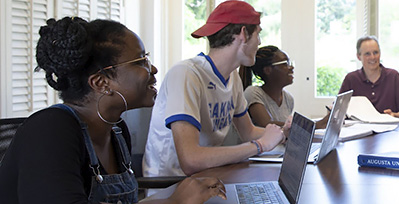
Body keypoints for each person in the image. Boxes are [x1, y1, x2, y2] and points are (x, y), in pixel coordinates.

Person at [0, 17, 225, 203]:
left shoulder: (116, 130)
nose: (153, 69)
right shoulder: (49, 131)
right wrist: (173, 202)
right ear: (100, 82)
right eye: (140, 61)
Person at [144, 0, 285, 179]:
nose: (259, 42)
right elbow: (190, 160)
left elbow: (248, 132)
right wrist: (260, 145)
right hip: (172, 186)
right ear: (243, 33)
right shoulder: (186, 74)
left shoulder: (232, 77)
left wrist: (282, 135)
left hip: (207, 178)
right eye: (258, 34)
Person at [245, 45, 329, 128]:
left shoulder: (288, 98)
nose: (291, 67)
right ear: (268, 70)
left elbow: (286, 130)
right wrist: (313, 126)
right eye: (285, 64)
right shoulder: (253, 93)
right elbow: (268, 125)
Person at [339, 36, 399, 118]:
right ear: (358, 57)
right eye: (367, 54)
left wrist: (393, 115)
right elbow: (338, 111)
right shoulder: (351, 79)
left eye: (375, 52)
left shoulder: (393, 76)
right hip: (359, 129)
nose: (372, 57)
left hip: (388, 129)